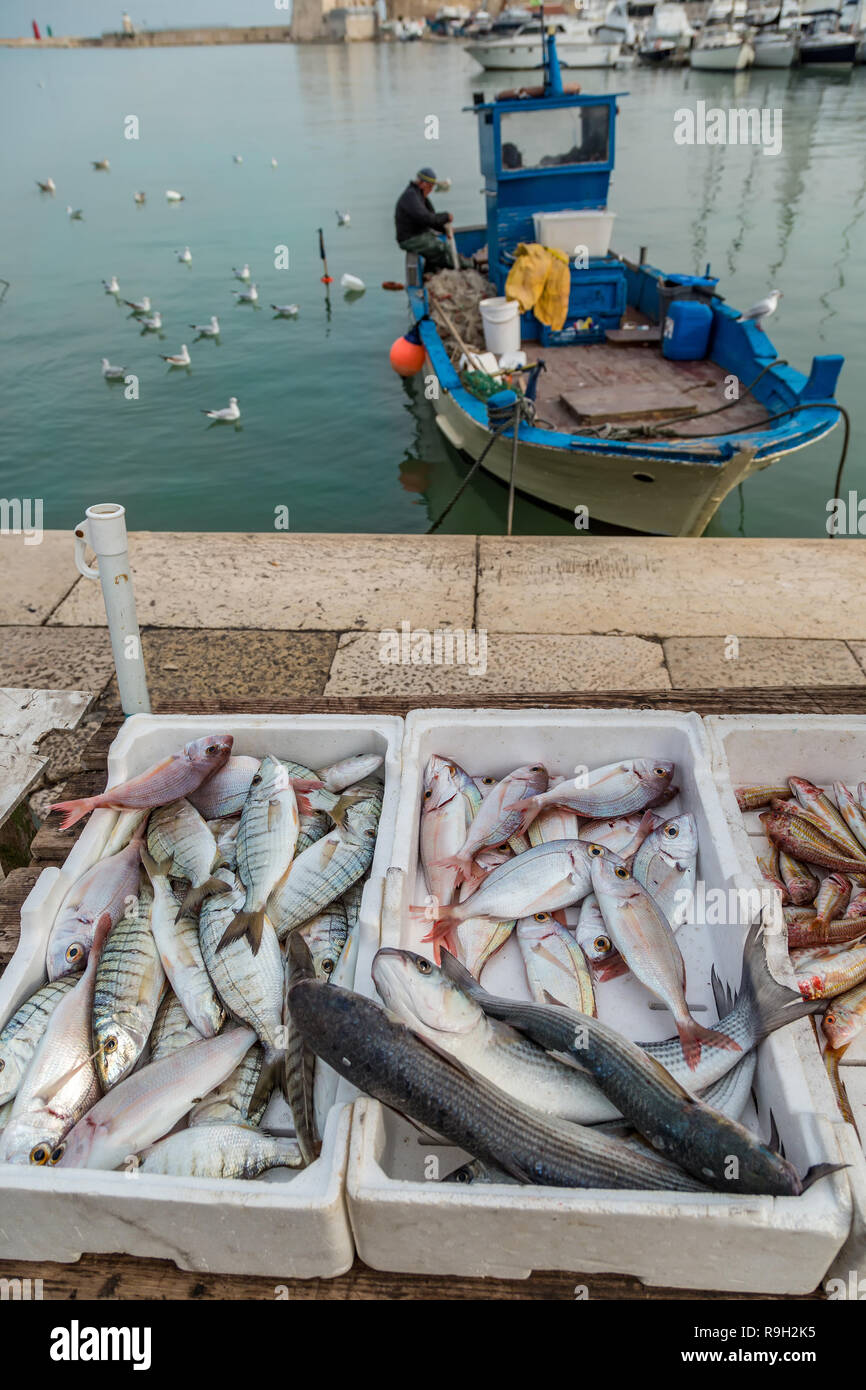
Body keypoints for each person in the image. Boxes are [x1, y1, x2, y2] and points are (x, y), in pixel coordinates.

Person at [394, 167, 472, 272]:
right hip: (410, 238)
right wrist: (446, 216)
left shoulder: (420, 196)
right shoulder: (411, 196)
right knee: (441, 249)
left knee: (439, 246)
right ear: (423, 184)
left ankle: (431, 270)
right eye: (430, 187)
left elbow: (432, 218)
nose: (431, 190)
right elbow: (426, 218)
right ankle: (470, 265)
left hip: (420, 234)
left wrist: (444, 229)